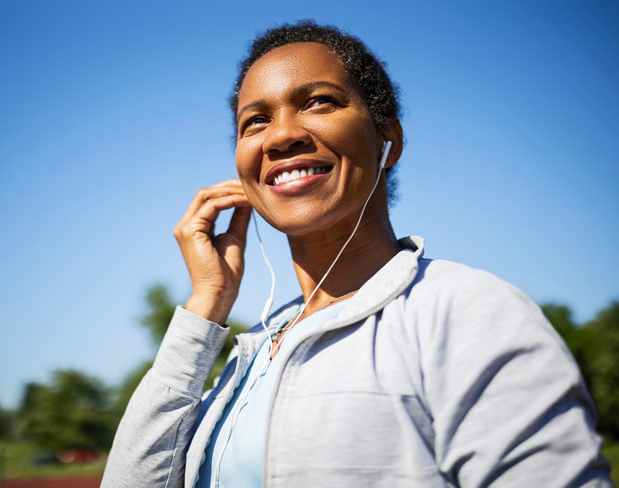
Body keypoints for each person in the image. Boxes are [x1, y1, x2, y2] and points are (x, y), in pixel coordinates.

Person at [101, 21, 611, 488]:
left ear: (387, 139)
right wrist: (207, 303)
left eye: (319, 102)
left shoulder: (464, 311)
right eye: (255, 121)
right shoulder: (251, 353)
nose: (281, 135)